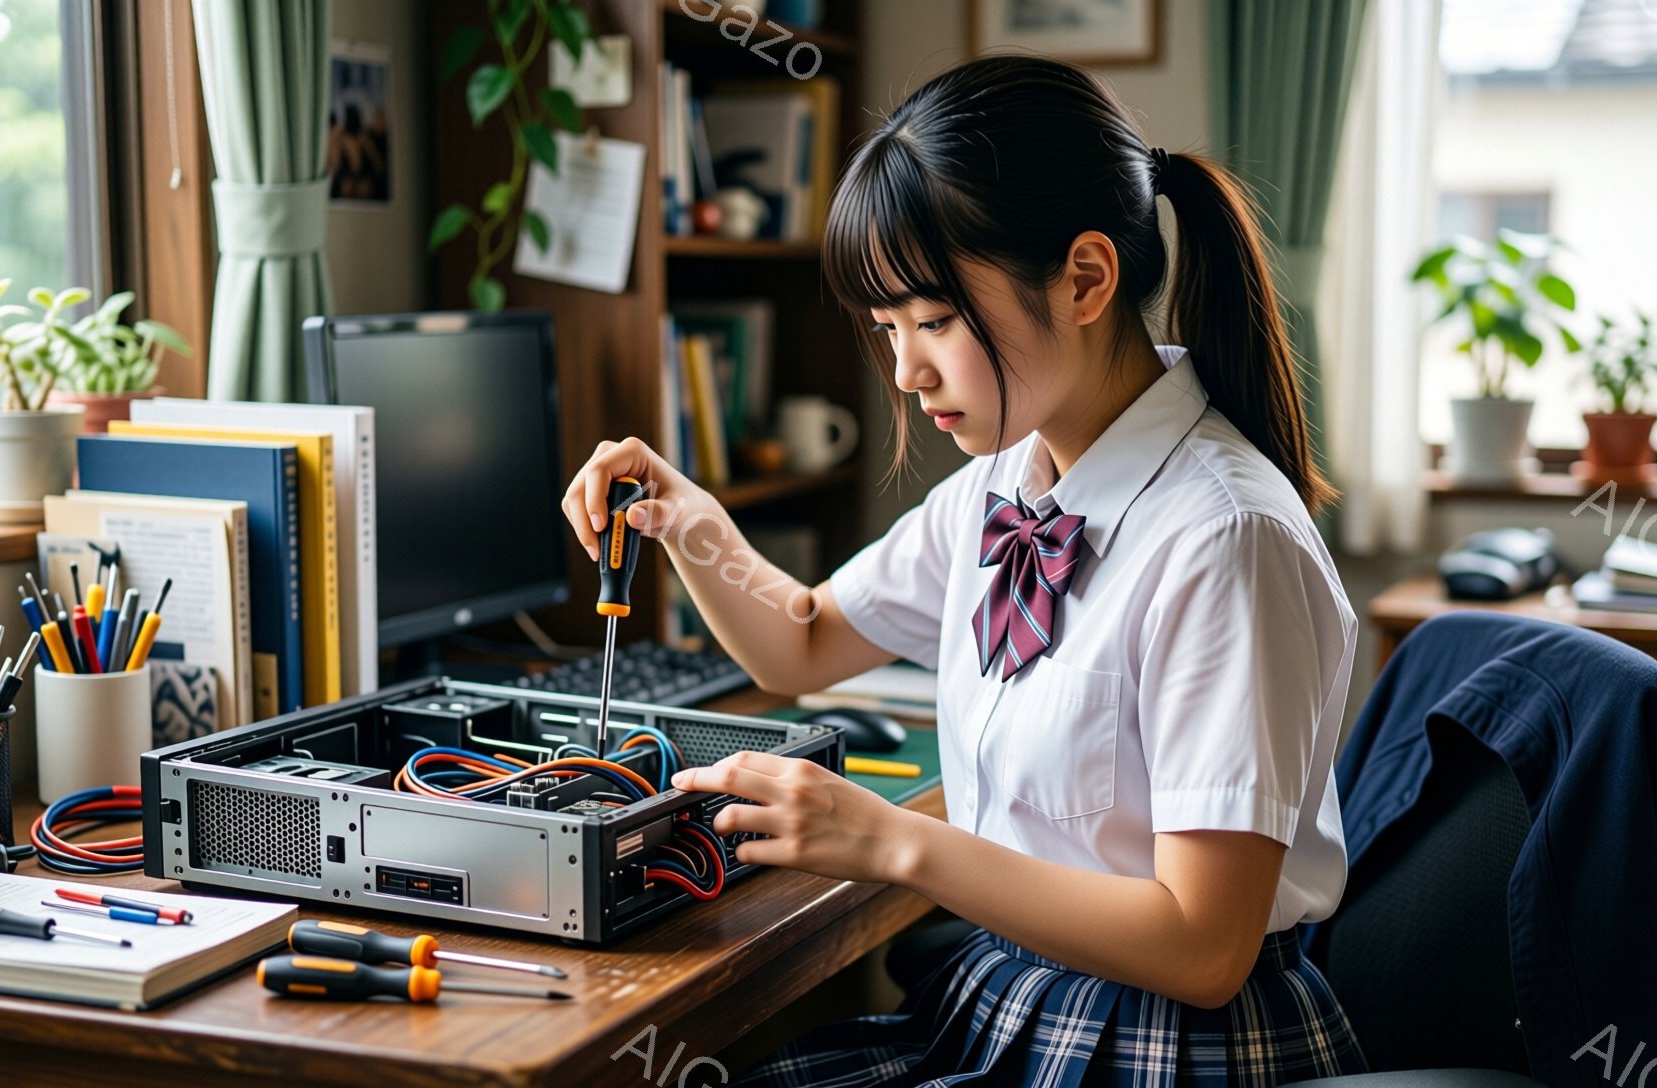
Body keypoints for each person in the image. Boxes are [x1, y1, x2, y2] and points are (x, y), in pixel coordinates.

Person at [562, 55, 1367, 1085]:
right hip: (1023, 995)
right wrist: (687, 517)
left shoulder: (1223, 538)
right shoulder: (1006, 481)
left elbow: (1202, 948)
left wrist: (890, 839)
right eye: (887, 329)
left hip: (1170, 1043)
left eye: (934, 321)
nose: (905, 372)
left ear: (1085, 278)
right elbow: (802, 632)